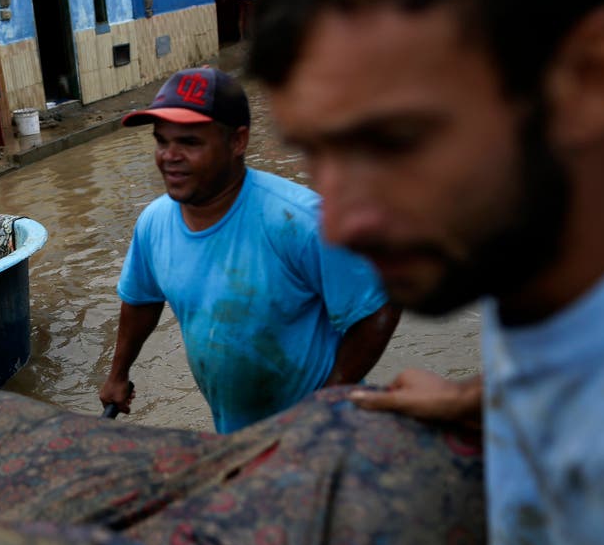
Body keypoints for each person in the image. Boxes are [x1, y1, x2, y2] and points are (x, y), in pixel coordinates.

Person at [247, 0, 604, 545]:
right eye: (315, 152)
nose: (341, 223)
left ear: (590, 79)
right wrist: (485, 399)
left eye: (395, 143)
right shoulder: (549, 291)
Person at [99, 66, 399, 433]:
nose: (169, 156)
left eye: (190, 142)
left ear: (238, 142)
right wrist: (118, 374)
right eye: (162, 141)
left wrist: (325, 402)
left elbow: (378, 307)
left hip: (324, 433)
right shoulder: (154, 223)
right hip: (237, 434)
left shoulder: (301, 221)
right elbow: (142, 300)